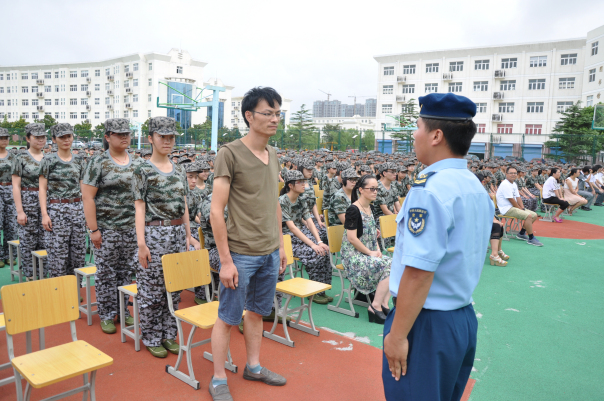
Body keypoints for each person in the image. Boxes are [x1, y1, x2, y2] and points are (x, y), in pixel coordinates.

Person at [383, 93, 494, 401]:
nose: (413, 134)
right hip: (460, 318)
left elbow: (419, 272)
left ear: (436, 136)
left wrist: (397, 335)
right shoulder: (474, 185)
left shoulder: (430, 190)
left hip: (425, 322)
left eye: (418, 126)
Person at [209, 87, 287, 401]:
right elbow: (216, 211)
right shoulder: (229, 153)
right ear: (249, 116)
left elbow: (274, 202)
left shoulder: (273, 154)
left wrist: (280, 245)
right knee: (228, 317)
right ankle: (218, 378)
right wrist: (226, 261)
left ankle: (253, 366)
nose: (275, 119)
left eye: (278, 113)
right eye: (268, 113)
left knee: (256, 312)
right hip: (240, 253)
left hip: (269, 252)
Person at [132, 116, 197, 358]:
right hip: (154, 233)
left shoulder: (179, 169)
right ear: (151, 138)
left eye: (171, 137)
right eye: (162, 137)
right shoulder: (142, 170)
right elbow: (139, 208)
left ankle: (169, 334)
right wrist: (141, 243)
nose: (167, 141)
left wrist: (188, 234)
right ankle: (151, 336)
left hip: (178, 233)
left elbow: (184, 204)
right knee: (152, 289)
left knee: (175, 287)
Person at [82, 118, 139, 335]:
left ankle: (123, 311)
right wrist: (94, 230)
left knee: (126, 272)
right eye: (119, 134)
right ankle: (106, 314)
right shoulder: (98, 162)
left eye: (127, 133)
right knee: (106, 274)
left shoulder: (136, 162)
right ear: (107, 137)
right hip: (106, 229)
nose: (124, 137)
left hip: (130, 228)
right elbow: (87, 197)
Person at [341, 174, 391, 324]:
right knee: (388, 265)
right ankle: (375, 306)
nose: (375, 192)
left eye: (377, 189)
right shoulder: (353, 210)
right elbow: (352, 238)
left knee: (397, 264)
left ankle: (383, 303)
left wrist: (377, 250)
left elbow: (373, 233)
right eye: (372, 189)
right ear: (361, 190)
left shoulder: (371, 207)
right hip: (353, 256)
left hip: (368, 252)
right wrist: (370, 253)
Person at [39, 123, 86, 278]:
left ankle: (76, 288)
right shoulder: (48, 160)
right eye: (62, 137)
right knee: (57, 254)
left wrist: (86, 213)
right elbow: (42, 189)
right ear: (54, 139)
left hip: (77, 209)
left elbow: (84, 189)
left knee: (78, 254)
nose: (66, 140)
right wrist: (44, 214)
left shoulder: (80, 160)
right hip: (57, 210)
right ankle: (58, 289)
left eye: (69, 136)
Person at [280, 169, 332, 304]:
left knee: (324, 250)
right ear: (290, 185)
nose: (304, 184)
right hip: (287, 239)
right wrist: (313, 245)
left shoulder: (301, 199)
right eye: (300, 182)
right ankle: (314, 292)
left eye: (304, 181)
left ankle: (322, 290)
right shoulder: (282, 201)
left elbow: (309, 221)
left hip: (300, 235)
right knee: (314, 253)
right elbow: (292, 227)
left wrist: (319, 242)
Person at [11, 123, 47, 279]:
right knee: (28, 241)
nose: (40, 140)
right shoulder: (20, 158)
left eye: (43, 137)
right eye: (36, 137)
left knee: (46, 240)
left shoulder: (49, 158)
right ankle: (30, 276)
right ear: (28, 138)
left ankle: (44, 274)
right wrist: (20, 211)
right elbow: (16, 186)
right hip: (28, 202)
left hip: (47, 203)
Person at [496, 166, 543, 246]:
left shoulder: (513, 184)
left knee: (534, 215)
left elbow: (518, 197)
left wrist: (522, 207)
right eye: (511, 173)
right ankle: (531, 238)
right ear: (506, 174)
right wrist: (519, 208)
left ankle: (521, 233)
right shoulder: (505, 184)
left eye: (515, 173)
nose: (513, 175)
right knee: (528, 216)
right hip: (506, 209)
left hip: (513, 207)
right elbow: (511, 199)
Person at [0, 128, 17, 268]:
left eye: (6, 138)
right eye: (1, 138)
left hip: (11, 189)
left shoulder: (13, 156)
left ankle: (10, 255)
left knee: (11, 225)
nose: (4, 140)